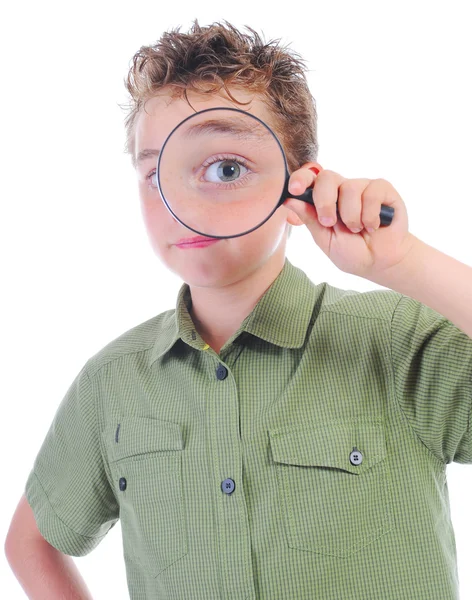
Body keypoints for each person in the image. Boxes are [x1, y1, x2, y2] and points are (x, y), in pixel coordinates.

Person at [5, 18, 472, 600]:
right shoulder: (111, 380)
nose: (183, 205)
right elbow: (30, 543)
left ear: (300, 184)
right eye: (155, 175)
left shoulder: (398, 343)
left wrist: (403, 262)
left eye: (225, 169)